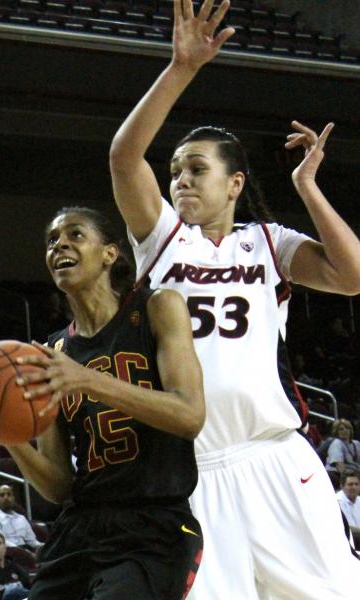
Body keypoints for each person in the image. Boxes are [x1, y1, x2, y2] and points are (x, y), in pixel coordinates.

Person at [108, 1, 360, 597]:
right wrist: (181, 68)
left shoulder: (269, 243)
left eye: (196, 169)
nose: (181, 181)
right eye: (174, 171)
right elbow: (123, 158)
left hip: (274, 458)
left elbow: (352, 276)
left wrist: (308, 187)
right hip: (194, 476)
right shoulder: (162, 241)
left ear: (236, 183)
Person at [3, 206, 205, 599]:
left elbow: (189, 415)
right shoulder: (51, 352)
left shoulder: (156, 308)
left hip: (153, 524)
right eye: (51, 241)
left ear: (110, 253)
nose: (59, 243)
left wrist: (88, 380)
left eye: (75, 235)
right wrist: (5, 432)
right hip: (81, 526)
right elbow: (59, 485)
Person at [0, 484, 43, 551]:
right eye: (2, 495)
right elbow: (1, 541)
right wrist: (24, 552)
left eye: (9, 494)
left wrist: (43, 546)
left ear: (13, 498)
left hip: (26, 550)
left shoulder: (21, 518)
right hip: (8, 552)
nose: (6, 497)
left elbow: (32, 541)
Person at [326, 418, 360, 485]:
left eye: (347, 428)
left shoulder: (356, 443)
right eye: (341, 429)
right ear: (336, 432)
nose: (345, 430)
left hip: (356, 473)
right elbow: (340, 466)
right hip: (339, 475)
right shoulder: (336, 443)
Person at [337, 470, 360, 550]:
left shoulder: (359, 500)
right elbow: (346, 527)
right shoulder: (337, 502)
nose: (354, 487)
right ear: (342, 486)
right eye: (350, 484)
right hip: (346, 541)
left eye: (356, 484)